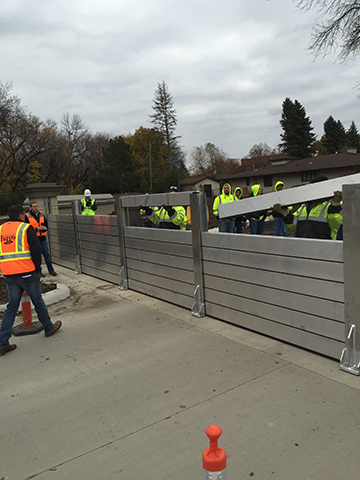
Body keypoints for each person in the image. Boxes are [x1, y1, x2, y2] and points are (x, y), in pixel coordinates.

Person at [0, 205, 62, 356]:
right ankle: (48, 327)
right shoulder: (26, 228)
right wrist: (36, 268)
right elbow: (36, 249)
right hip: (26, 272)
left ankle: (2, 343)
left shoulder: (1, 229)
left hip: (9, 274)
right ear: (21, 215)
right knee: (37, 301)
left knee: (11, 307)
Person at [272, 175, 343, 239]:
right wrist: (286, 214)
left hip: (323, 249)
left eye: (311, 188)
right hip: (303, 247)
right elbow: (296, 225)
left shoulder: (329, 206)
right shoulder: (304, 206)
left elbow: (336, 223)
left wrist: (335, 207)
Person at [25, 201, 57, 277]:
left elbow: (46, 225)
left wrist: (44, 228)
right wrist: (37, 229)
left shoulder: (41, 215)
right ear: (30, 208)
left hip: (42, 238)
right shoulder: (27, 216)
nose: (36, 208)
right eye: (34, 206)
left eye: (36, 206)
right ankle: (39, 272)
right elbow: (27, 229)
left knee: (46, 254)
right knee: (37, 255)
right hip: (34, 239)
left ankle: (51, 270)